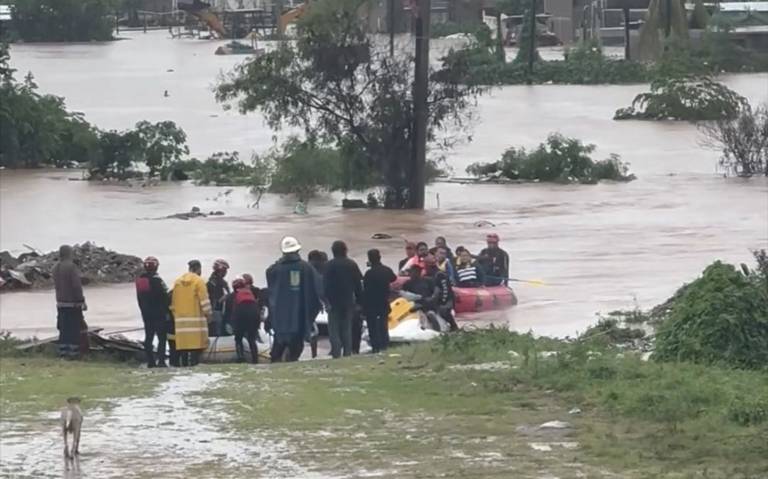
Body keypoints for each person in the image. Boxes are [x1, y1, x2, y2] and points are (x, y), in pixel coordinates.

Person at [266, 236, 322, 362]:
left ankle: (276, 368)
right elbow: (317, 290)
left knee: (277, 351)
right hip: (299, 319)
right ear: (297, 250)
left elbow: (270, 291)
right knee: (295, 351)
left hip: (280, 319)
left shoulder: (274, 270)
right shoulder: (306, 268)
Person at [323, 240, 363, 358]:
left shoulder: (328, 265)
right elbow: (358, 284)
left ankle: (336, 353)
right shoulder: (351, 264)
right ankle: (347, 353)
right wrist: (360, 302)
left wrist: (326, 301)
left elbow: (324, 285)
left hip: (333, 302)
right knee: (346, 328)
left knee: (333, 329)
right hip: (348, 301)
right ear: (345, 250)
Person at [171, 260, 212, 367]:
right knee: (195, 347)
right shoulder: (199, 281)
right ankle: (194, 364)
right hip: (196, 322)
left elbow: (173, 302)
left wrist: (175, 315)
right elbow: (204, 300)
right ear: (198, 269)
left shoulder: (177, 282)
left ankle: (184, 365)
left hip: (181, 322)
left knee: (184, 347)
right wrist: (209, 313)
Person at [135, 256, 170, 368]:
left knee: (148, 337)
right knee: (162, 337)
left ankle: (150, 361)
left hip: (146, 313)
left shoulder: (140, 281)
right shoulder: (157, 280)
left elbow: (139, 298)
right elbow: (165, 297)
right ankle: (161, 361)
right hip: (159, 313)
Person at [52, 245, 87, 359]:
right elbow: (76, 286)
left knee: (63, 329)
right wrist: (82, 301)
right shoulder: (71, 267)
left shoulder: (55, 267)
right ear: (69, 253)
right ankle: (73, 354)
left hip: (60, 302)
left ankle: (63, 352)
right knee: (74, 329)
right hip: (72, 303)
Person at [362, 249, 397, 353]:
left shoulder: (369, 273)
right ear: (380, 257)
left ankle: (375, 347)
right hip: (384, 301)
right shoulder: (386, 270)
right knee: (383, 325)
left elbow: (365, 290)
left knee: (372, 326)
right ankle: (384, 345)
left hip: (371, 303)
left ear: (369, 260)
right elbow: (393, 278)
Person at [223, 277, 260, 363]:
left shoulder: (232, 296)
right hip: (254, 314)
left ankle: (240, 358)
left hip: (241, 314)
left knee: (238, 338)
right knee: (251, 339)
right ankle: (255, 360)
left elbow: (229, 312)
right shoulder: (250, 293)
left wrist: (229, 324)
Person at [424, 256, 459, 331]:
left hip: (446, 300)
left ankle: (453, 327)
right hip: (432, 300)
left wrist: (442, 303)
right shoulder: (425, 276)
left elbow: (445, 291)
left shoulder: (440, 275)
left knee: (443, 310)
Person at [307, 250, 328, 358]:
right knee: (313, 331)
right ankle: (314, 354)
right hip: (314, 304)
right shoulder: (320, 271)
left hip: (303, 304)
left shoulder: (304, 268)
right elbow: (321, 289)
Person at [207, 259, 230, 336]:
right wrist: (222, 300)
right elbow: (213, 299)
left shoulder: (221, 282)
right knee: (217, 332)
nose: (226, 273)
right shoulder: (213, 283)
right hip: (216, 312)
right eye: (224, 270)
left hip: (221, 311)